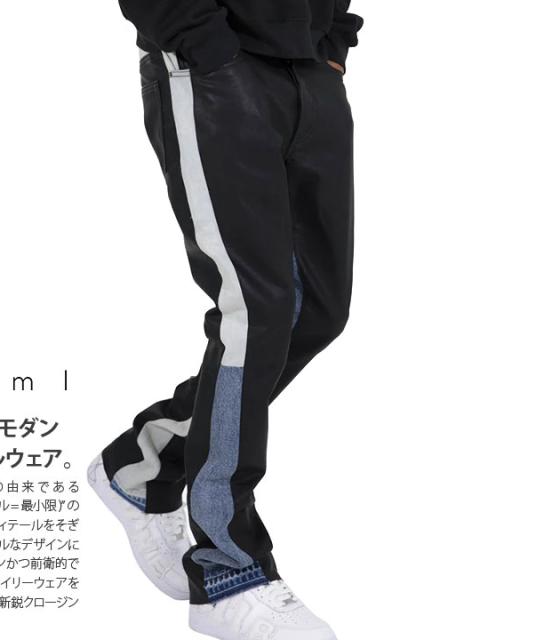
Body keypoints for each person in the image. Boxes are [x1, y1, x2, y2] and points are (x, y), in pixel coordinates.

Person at [88, 1, 363, 638]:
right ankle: (227, 571)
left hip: (309, 67)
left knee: (317, 311)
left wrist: (330, 42)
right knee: (255, 312)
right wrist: (198, 40)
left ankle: (145, 460)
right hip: (214, 65)